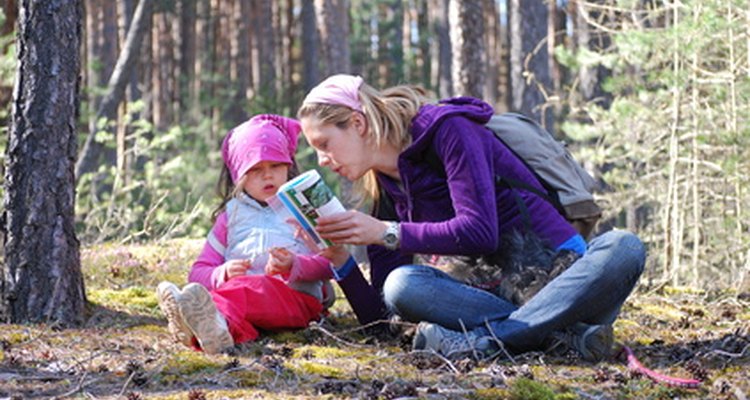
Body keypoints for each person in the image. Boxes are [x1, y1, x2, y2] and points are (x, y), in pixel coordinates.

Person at [296, 74, 646, 361]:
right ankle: (560, 335)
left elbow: (480, 232)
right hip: (490, 292)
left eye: (324, 143)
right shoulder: (384, 190)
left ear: (357, 123)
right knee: (401, 285)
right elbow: (381, 322)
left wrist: (388, 232)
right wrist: (340, 261)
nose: (322, 159)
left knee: (624, 246)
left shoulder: (450, 131)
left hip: (561, 275)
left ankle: (487, 342)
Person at [156, 114, 349, 354]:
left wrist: (294, 264)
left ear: (289, 165)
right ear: (239, 176)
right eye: (255, 169)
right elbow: (198, 272)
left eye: (276, 165)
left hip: (296, 300)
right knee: (238, 307)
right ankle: (209, 332)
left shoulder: (304, 207)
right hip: (243, 302)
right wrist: (222, 272)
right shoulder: (231, 216)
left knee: (247, 291)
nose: (267, 175)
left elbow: (331, 263)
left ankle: (193, 314)